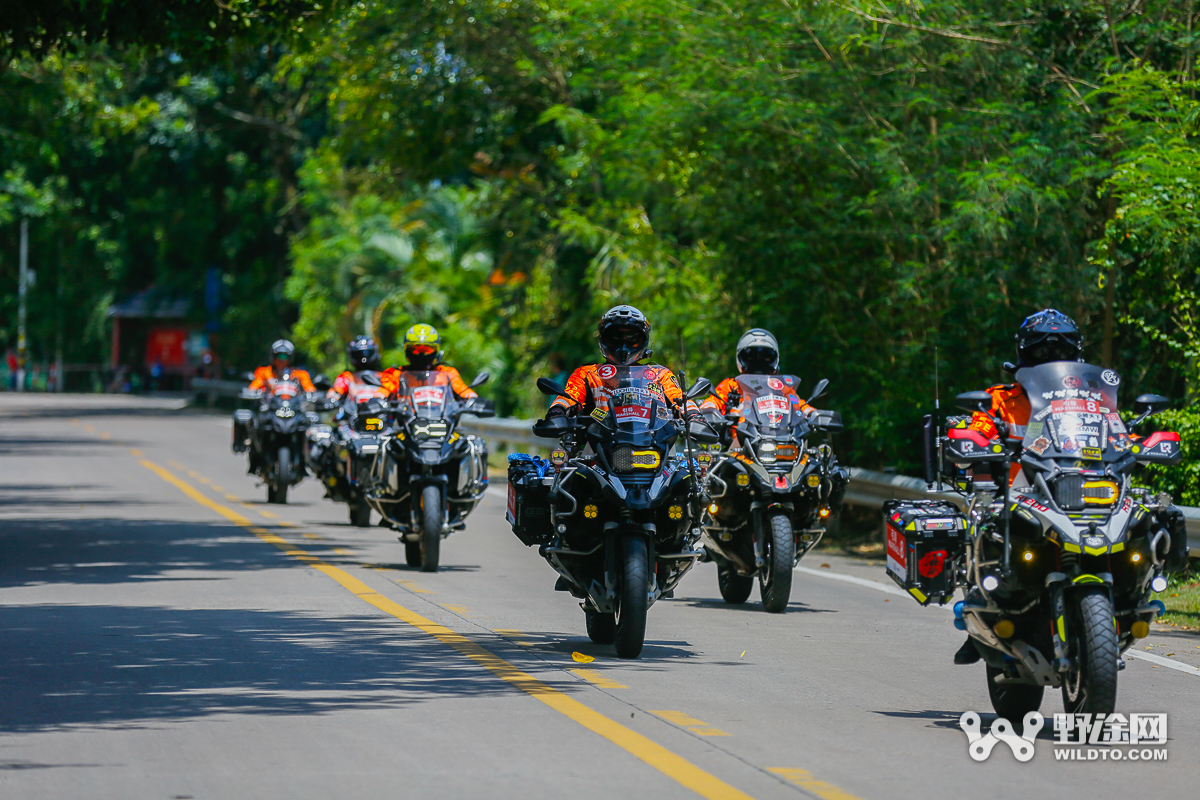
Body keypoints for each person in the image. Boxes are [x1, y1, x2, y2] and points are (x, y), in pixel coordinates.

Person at [952, 308, 1187, 664]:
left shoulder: (1096, 399)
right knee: (987, 526)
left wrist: (1146, 442)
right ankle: (980, 608)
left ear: (1075, 355)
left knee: (1152, 515)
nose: (1050, 358)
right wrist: (976, 439)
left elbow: (1120, 431)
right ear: (1023, 354)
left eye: (1060, 352)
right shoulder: (1001, 398)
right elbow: (976, 428)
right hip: (1022, 490)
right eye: (1041, 351)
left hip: (1091, 489)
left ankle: (1133, 594)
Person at [545, 304, 696, 418]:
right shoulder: (587, 373)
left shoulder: (660, 374)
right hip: (597, 447)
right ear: (604, 340)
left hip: (653, 442)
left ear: (644, 341)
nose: (623, 346)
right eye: (615, 338)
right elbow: (569, 397)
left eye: (632, 338)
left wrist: (695, 415)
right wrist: (557, 410)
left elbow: (678, 397)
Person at [700, 328, 816, 418]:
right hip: (739, 444)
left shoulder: (780, 387)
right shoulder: (732, 385)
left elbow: (799, 404)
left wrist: (814, 414)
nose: (758, 361)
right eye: (751, 356)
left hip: (780, 439)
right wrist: (709, 410)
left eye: (766, 356)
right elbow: (713, 400)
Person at [381, 324, 478, 401]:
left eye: (427, 349)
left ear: (436, 351)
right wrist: (378, 399)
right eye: (415, 349)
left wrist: (472, 398)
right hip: (406, 422)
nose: (421, 354)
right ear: (407, 351)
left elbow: (462, 390)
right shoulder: (396, 375)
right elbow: (383, 391)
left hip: (443, 421)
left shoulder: (447, 374)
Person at [328, 335, 386, 403]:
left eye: (367, 353)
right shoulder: (347, 377)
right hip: (354, 412)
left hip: (383, 412)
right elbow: (336, 390)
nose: (362, 357)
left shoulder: (385, 377)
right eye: (358, 354)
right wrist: (332, 396)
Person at [247, 339, 315, 393]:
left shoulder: (300, 374)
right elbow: (255, 386)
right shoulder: (264, 372)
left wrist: (311, 393)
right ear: (273, 357)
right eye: (279, 356)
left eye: (285, 356)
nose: (281, 360)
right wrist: (253, 391)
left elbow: (309, 388)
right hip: (269, 407)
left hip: (294, 407)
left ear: (290, 358)